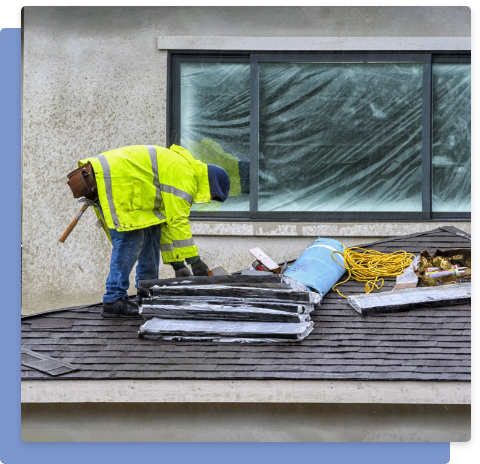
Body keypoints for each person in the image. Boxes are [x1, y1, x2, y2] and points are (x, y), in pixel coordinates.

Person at [76, 144, 230, 318]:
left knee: (151, 230)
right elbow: (177, 222)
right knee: (130, 238)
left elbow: (165, 224)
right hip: (115, 180)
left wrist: (177, 264)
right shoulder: (185, 175)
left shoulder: (184, 170)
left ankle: (146, 290)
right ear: (211, 184)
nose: (209, 199)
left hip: (121, 181)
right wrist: (195, 261)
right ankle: (114, 300)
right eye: (213, 196)